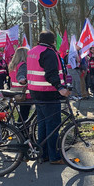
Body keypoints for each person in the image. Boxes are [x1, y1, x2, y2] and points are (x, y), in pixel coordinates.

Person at [27, 31, 70, 164]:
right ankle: (54, 157)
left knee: (42, 125)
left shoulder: (32, 51)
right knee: (53, 126)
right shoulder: (49, 52)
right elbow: (50, 74)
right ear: (52, 42)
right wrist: (60, 88)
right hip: (48, 93)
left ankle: (43, 154)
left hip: (35, 92)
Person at [8, 47, 31, 122]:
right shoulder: (23, 65)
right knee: (24, 115)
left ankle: (21, 130)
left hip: (16, 92)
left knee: (23, 114)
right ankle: (22, 132)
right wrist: (23, 80)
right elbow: (21, 75)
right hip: (25, 94)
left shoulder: (13, 65)